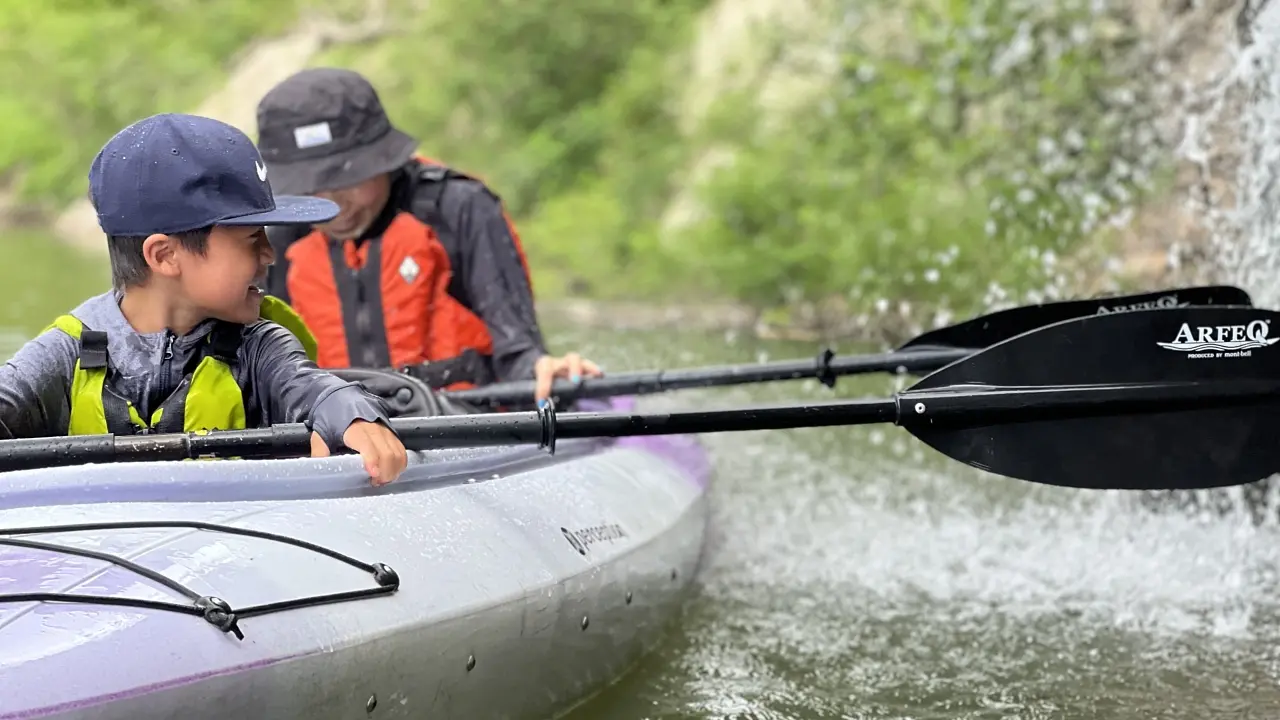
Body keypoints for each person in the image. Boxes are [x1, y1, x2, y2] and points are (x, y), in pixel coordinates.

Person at [0, 113, 408, 486]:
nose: (270, 253)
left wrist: (351, 413)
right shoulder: (67, 351)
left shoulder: (259, 346)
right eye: (252, 238)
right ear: (165, 256)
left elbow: (311, 388)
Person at [253, 67, 602, 404]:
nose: (333, 206)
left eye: (348, 180)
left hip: (462, 419)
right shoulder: (282, 237)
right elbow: (266, 369)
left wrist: (542, 368)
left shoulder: (461, 209)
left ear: (384, 159)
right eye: (308, 187)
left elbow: (518, 353)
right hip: (343, 428)